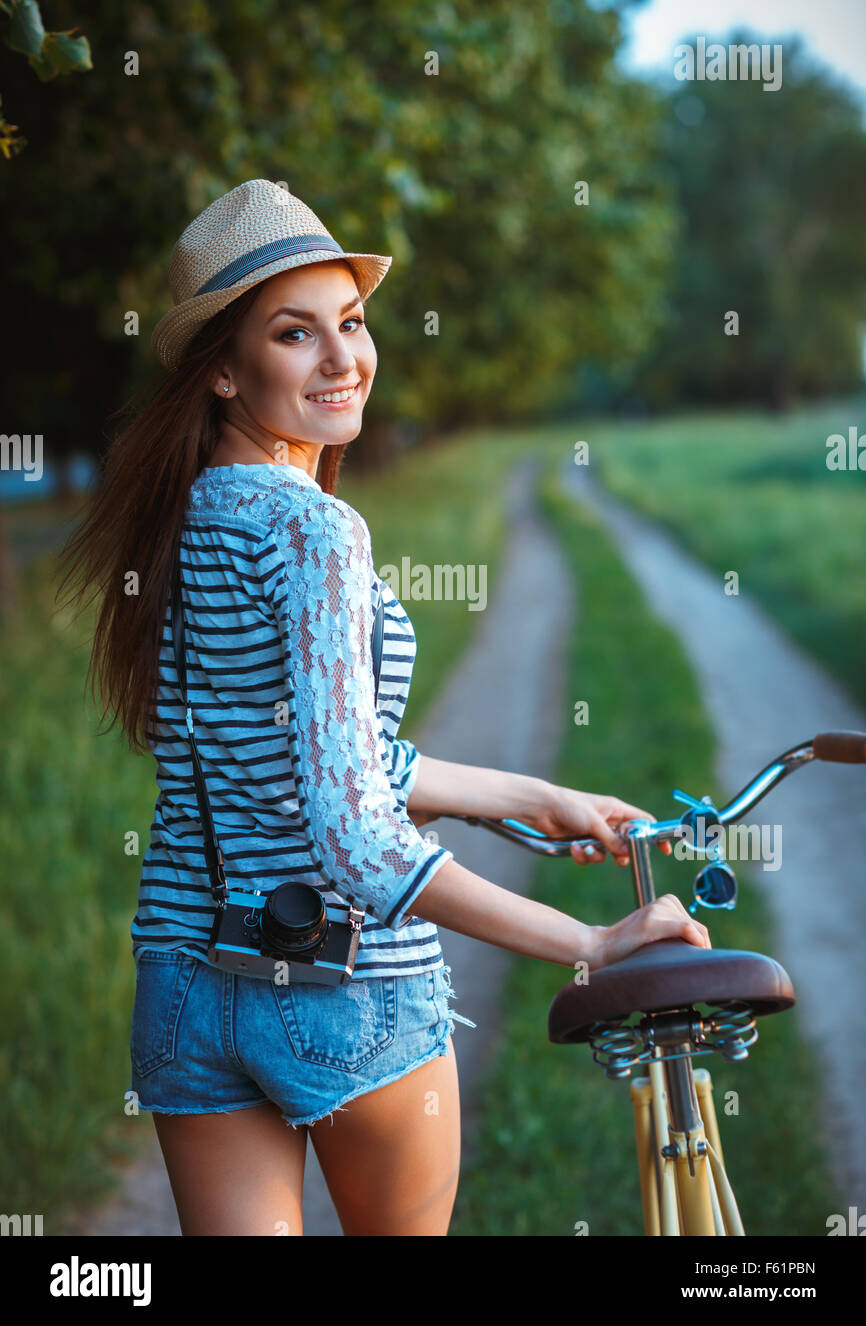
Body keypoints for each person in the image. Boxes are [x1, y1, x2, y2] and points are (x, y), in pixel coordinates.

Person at [57, 179, 709, 1237]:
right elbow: (354, 833)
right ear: (222, 370)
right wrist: (589, 940)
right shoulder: (317, 533)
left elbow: (313, 758)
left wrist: (538, 793)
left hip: (183, 986)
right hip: (342, 988)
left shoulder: (176, 525)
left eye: (350, 323)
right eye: (293, 333)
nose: (341, 358)